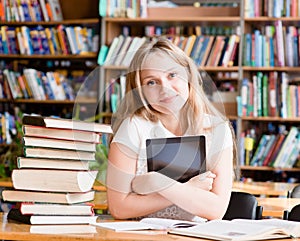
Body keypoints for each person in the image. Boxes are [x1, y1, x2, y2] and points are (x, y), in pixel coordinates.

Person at [106, 38, 237, 221]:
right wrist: (187, 189)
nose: (165, 89)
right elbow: (119, 208)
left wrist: (158, 182)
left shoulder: (217, 129)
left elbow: (215, 210)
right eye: (152, 82)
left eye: (172, 75)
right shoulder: (133, 128)